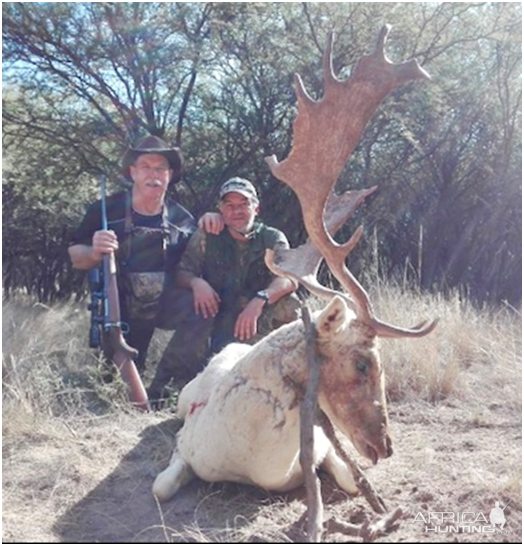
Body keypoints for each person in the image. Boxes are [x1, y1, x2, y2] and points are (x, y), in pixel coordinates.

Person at [68, 135, 218, 388]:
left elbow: (191, 265)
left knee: (203, 308)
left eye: (160, 168)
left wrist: (213, 221)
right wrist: (94, 252)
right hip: (120, 306)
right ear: (133, 172)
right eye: (146, 167)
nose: (154, 174)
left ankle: (167, 383)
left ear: (170, 174)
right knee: (114, 383)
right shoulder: (104, 210)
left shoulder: (182, 220)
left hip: (163, 304)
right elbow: (75, 257)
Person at [147, 177, 301, 398]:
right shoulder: (207, 236)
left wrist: (259, 300)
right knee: (195, 309)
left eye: (243, 204)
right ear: (220, 210)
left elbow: (289, 278)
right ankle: (167, 387)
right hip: (216, 317)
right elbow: (182, 272)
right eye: (229, 205)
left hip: (254, 321)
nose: (236, 211)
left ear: (256, 208)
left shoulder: (272, 237)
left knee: (290, 304)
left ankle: (292, 376)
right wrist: (196, 283)